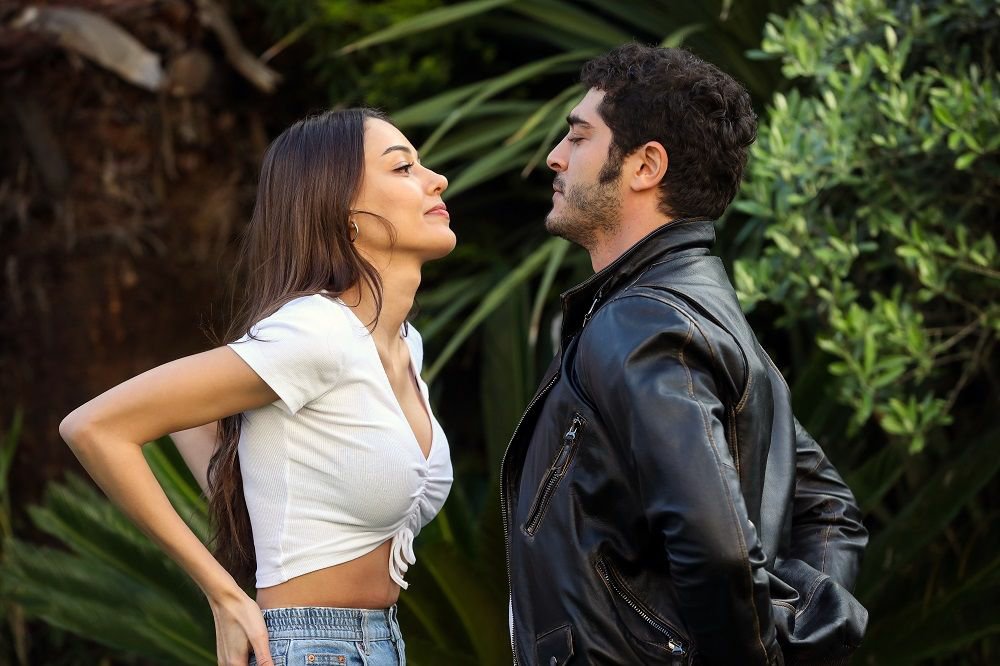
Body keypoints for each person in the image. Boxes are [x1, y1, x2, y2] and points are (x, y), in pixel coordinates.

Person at [502, 44, 869, 664]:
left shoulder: (643, 323)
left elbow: (717, 547)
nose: (555, 156)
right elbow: (830, 509)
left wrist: (761, 650)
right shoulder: (695, 313)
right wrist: (799, 631)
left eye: (579, 137)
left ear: (645, 165)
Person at [59, 108, 455, 666]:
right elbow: (95, 427)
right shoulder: (317, 332)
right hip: (307, 648)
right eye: (403, 168)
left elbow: (200, 414)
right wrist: (223, 593)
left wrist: (257, 500)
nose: (437, 180)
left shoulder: (403, 343)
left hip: (379, 643)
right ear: (343, 211)